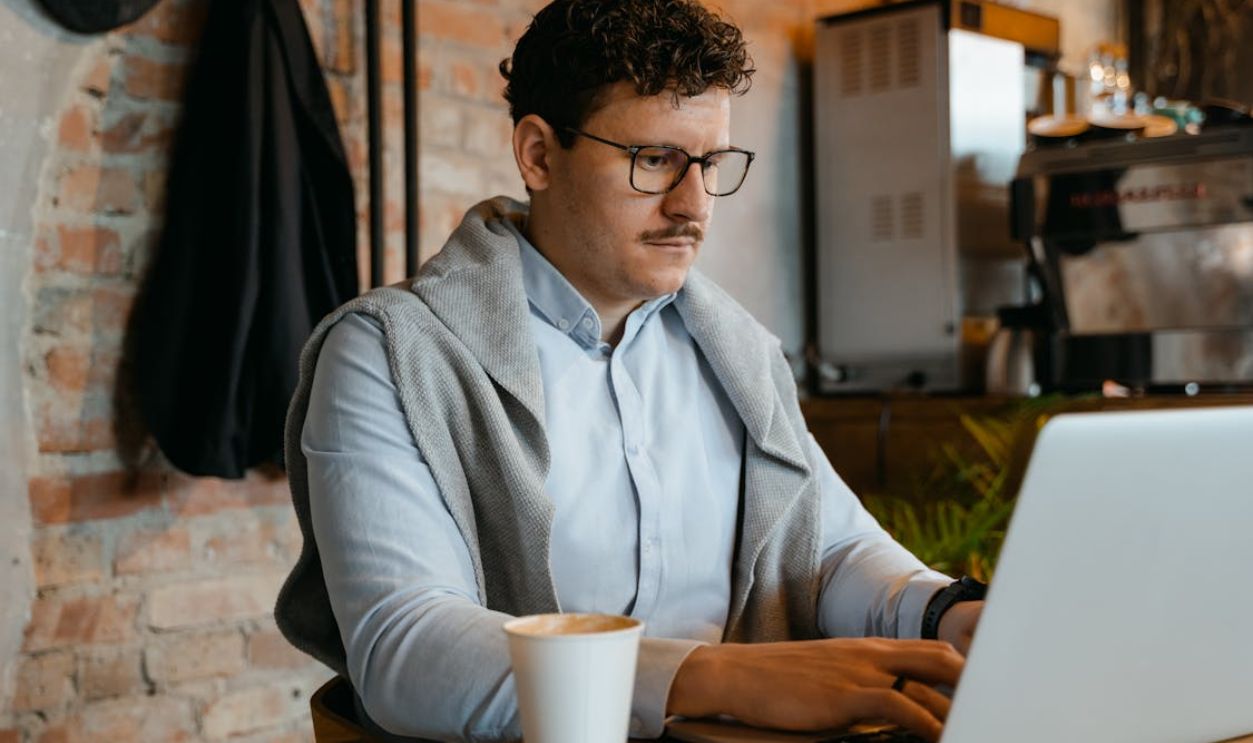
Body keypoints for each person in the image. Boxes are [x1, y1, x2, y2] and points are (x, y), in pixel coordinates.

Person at [275, 1, 984, 741]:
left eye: (710, 163)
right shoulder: (389, 352)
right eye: (655, 161)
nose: (694, 206)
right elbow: (406, 650)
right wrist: (719, 678)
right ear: (539, 155)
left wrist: (944, 613)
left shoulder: (741, 352)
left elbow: (828, 551)